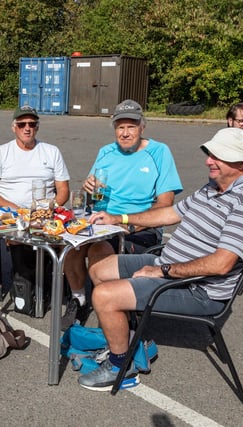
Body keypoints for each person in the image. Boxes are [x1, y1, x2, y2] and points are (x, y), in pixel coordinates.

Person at [78, 127, 243, 391]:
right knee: (100, 267)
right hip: (169, 266)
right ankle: (127, 336)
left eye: (217, 156)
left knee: (104, 296)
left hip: (200, 290)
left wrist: (163, 271)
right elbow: (170, 214)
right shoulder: (213, 188)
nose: (208, 161)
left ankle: (122, 366)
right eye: (210, 154)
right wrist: (119, 219)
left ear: (241, 163)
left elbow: (221, 264)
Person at [62, 99, 183, 330]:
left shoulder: (159, 152)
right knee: (71, 243)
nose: (125, 133)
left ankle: (112, 313)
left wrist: (128, 223)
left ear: (142, 127)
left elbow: (166, 205)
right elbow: (93, 199)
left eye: (131, 126)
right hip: (101, 220)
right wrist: (89, 190)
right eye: (120, 127)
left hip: (139, 225)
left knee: (100, 250)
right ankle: (78, 299)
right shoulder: (106, 152)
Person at [0, 105, 70, 315]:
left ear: (37, 127)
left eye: (32, 124)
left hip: (44, 212)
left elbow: (63, 190)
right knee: (22, 239)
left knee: (64, 236)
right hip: (11, 213)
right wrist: (16, 210)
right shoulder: (0, 153)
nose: (27, 128)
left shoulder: (51, 151)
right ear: (14, 127)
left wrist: (49, 208)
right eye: (22, 124)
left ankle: (55, 289)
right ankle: (28, 289)